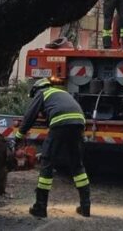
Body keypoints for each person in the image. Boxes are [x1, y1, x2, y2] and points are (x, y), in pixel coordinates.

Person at [13, 78, 91, 218]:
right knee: (77, 165)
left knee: (47, 162)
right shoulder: (61, 93)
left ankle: (40, 207)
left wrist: (18, 137)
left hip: (60, 124)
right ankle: (86, 207)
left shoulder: (42, 93)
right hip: (78, 124)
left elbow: (29, 117)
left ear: (37, 89)